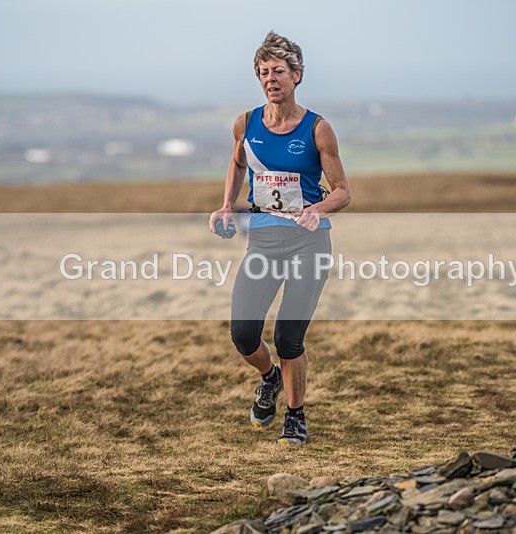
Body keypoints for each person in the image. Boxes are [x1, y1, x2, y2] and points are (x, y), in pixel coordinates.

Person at [209, 31, 351, 445]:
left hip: (309, 242)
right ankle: (269, 378)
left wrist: (317, 209)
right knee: (243, 334)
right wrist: (226, 205)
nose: (270, 79)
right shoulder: (247, 123)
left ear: (297, 76)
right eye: (263, 72)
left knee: (289, 338)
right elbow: (237, 164)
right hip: (264, 240)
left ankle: (295, 416)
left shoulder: (318, 129)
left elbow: (343, 191)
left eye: (278, 71)